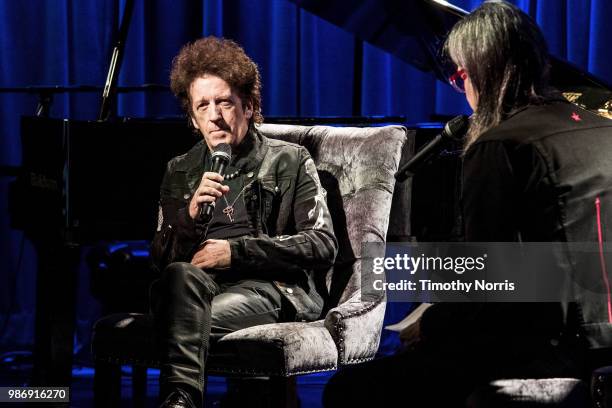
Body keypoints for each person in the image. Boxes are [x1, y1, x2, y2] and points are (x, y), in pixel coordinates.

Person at [324, 1, 612, 406]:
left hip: (548, 351)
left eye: (460, 75)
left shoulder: (500, 145)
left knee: (351, 390)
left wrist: (430, 326)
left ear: (481, 72)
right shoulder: (604, 128)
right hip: (598, 340)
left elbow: (491, 285)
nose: (460, 85)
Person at [150, 36, 337, 408]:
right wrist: (187, 218)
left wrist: (234, 253)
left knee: (179, 321)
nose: (215, 115)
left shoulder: (289, 160)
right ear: (192, 118)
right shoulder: (180, 170)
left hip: (271, 288)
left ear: (248, 106)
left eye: (224, 102)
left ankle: (179, 401)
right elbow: (160, 260)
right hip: (196, 288)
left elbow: (322, 244)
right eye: (203, 106)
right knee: (178, 279)